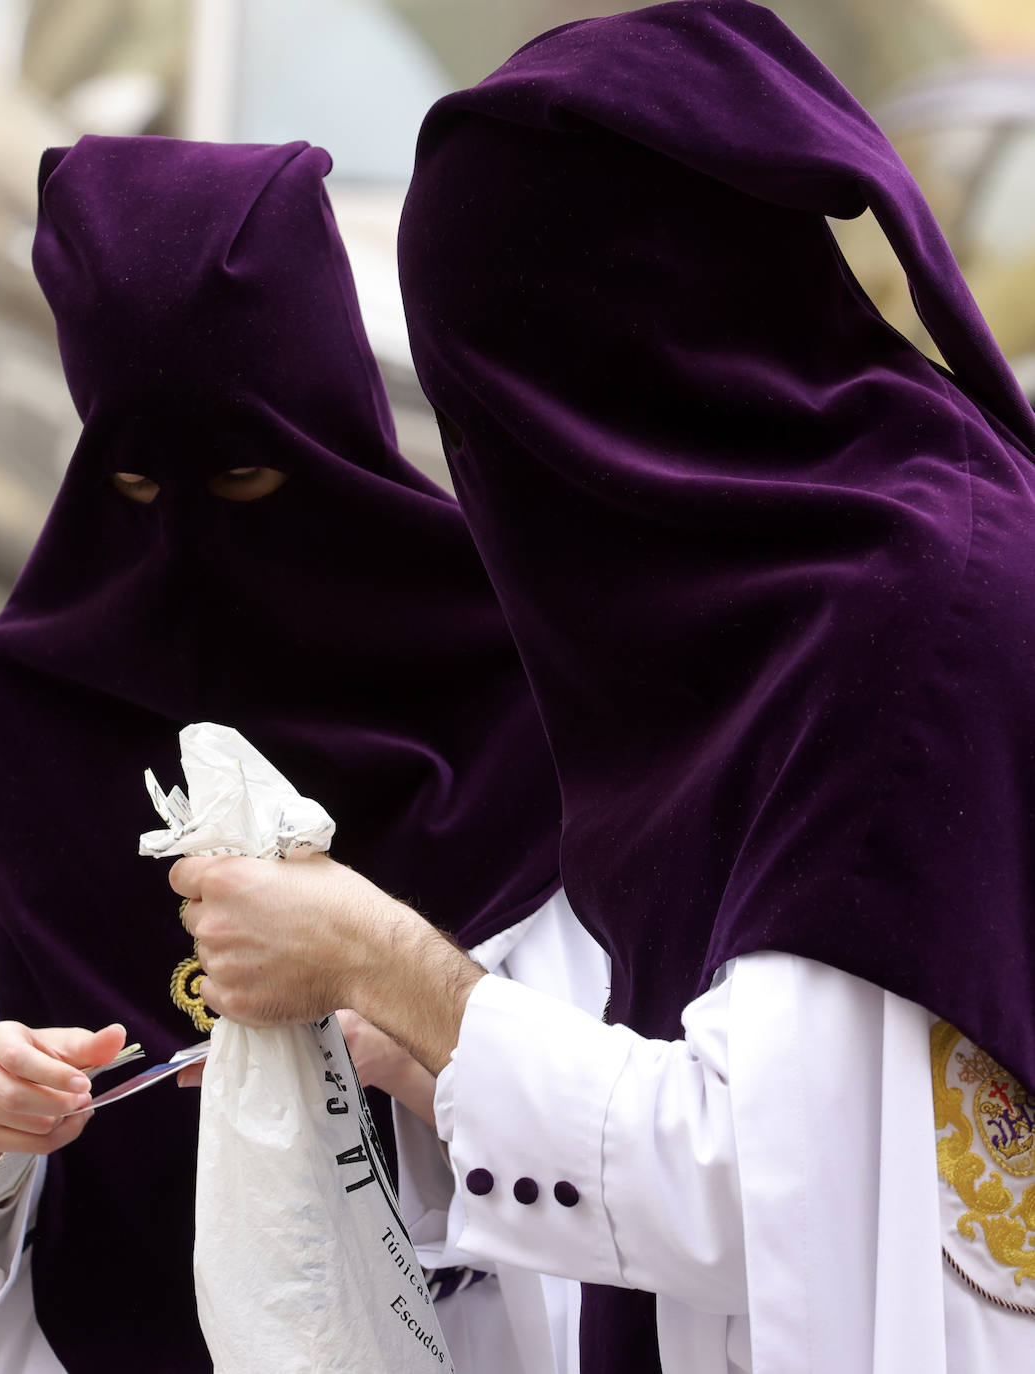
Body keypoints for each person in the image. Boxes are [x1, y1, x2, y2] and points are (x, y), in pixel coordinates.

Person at [168, 3, 1035, 1371]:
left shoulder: (892, 632)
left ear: (598, 379)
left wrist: (386, 962)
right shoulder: (834, 555)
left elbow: (761, 1183)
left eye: (497, 423)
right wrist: (422, 1054)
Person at [0, 134, 606, 1374]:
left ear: (327, 430)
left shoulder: (499, 690)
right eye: (134, 482)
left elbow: (613, 1157)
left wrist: (395, 1025)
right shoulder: (42, 691)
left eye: (242, 478)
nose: (186, 542)